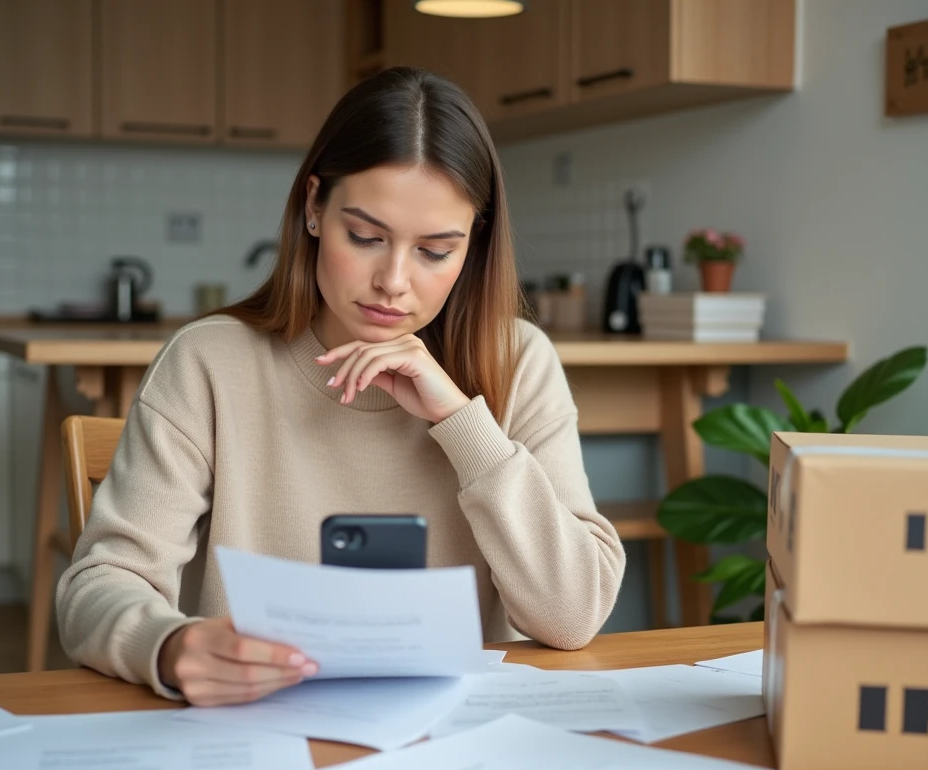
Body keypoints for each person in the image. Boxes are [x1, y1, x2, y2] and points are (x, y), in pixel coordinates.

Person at [56, 67, 625, 707]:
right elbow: (99, 584)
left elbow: (574, 614)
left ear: (473, 247)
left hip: (448, 746)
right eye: (365, 236)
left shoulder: (518, 361)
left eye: (436, 251)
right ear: (313, 208)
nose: (394, 281)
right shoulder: (210, 361)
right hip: (254, 731)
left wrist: (463, 424)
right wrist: (168, 646)